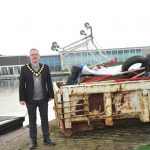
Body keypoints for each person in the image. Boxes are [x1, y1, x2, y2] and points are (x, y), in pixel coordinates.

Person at [19, 48, 55, 149]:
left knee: (44, 119)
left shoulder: (45, 67)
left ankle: (46, 139)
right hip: (30, 99)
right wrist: (21, 98)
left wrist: (51, 95)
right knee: (32, 121)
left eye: (36, 54)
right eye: (32, 55)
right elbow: (22, 85)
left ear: (39, 56)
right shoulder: (24, 68)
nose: (34, 56)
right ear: (29, 57)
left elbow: (49, 82)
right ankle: (34, 141)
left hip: (43, 98)